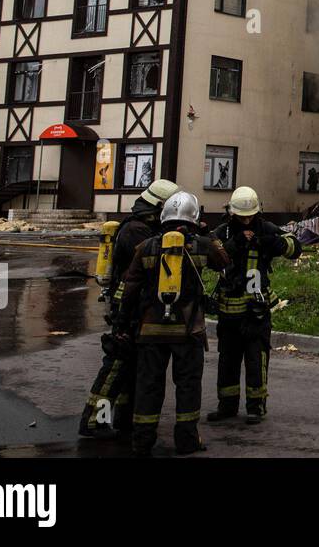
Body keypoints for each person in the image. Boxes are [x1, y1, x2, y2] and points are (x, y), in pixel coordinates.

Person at [120, 191, 228, 456]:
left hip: (150, 332)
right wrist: (210, 234)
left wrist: (124, 325)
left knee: (148, 387)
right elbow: (224, 261)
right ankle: (187, 441)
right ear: (194, 218)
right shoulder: (201, 246)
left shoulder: (146, 247)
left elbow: (130, 289)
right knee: (188, 386)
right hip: (187, 331)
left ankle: (142, 441)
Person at [78, 178, 180, 439]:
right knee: (117, 364)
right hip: (129, 307)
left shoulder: (141, 226)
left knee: (132, 366)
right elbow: (150, 263)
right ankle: (93, 420)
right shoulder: (136, 231)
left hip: (137, 306)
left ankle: (123, 419)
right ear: (158, 207)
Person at [207, 186, 300, 424]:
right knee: (227, 360)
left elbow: (294, 247)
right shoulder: (224, 232)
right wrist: (235, 243)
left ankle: (256, 407)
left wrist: (272, 243)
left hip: (257, 311)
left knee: (256, 360)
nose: (246, 220)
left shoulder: (265, 228)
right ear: (232, 213)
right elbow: (212, 260)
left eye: (250, 215)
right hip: (229, 309)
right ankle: (227, 406)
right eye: (242, 216)